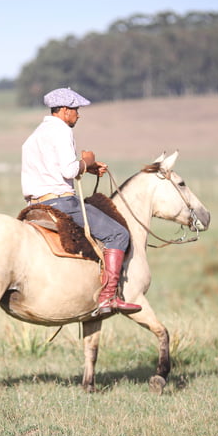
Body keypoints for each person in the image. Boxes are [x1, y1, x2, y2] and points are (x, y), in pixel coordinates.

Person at [21, 87, 141, 316]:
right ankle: (107, 298)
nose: (78, 114)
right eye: (76, 110)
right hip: (61, 203)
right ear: (65, 110)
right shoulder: (62, 131)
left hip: (35, 206)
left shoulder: (35, 135)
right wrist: (87, 160)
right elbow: (68, 170)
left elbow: (54, 169)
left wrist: (89, 168)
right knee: (119, 234)